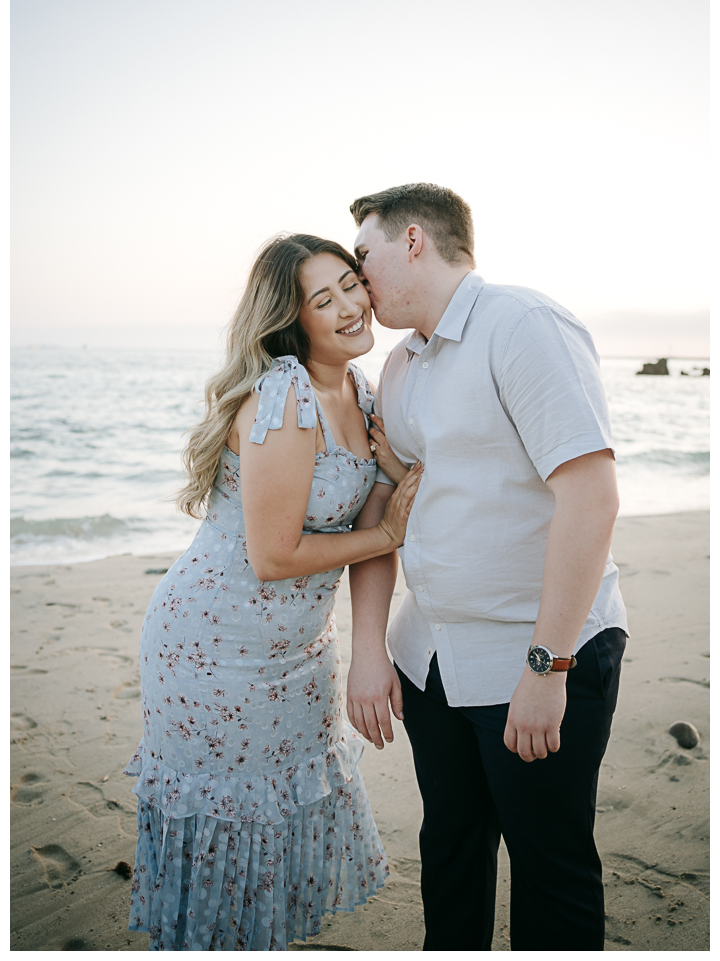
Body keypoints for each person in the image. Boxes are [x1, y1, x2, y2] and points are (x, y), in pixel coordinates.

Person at [345, 183, 629, 951]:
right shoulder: (400, 366)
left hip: (533, 655)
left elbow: (591, 496)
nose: (356, 274)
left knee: (550, 868)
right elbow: (384, 514)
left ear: (412, 240)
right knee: (451, 854)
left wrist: (546, 666)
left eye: (362, 254)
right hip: (431, 659)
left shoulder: (522, 325)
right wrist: (369, 650)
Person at [124, 233, 422, 951]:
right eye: (325, 300)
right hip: (213, 649)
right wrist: (386, 535)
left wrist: (369, 646)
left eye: (351, 283)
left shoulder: (362, 389)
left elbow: (376, 518)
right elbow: (274, 554)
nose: (351, 305)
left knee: (276, 841)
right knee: (230, 836)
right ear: (293, 322)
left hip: (298, 652)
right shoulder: (284, 394)